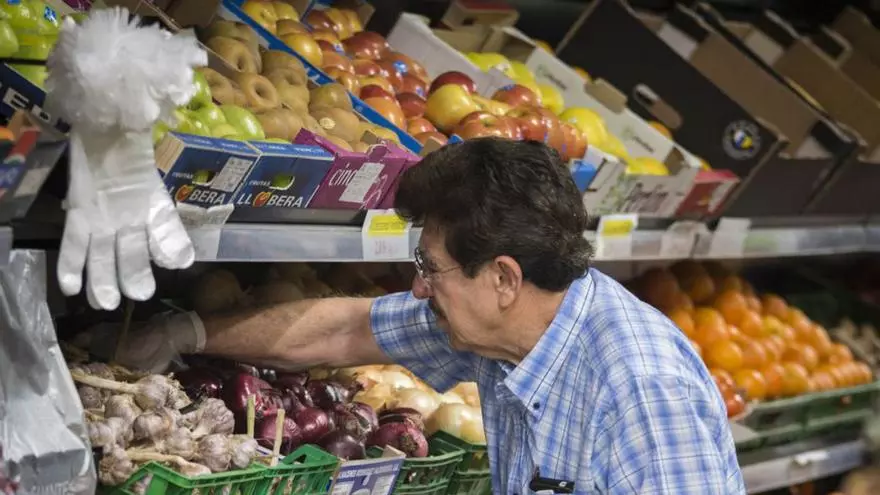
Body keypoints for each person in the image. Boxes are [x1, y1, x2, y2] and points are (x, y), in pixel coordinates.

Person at [111, 138, 744, 494]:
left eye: (429, 266)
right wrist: (187, 333)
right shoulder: (507, 325)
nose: (417, 288)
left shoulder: (640, 392)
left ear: (503, 278)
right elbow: (346, 329)